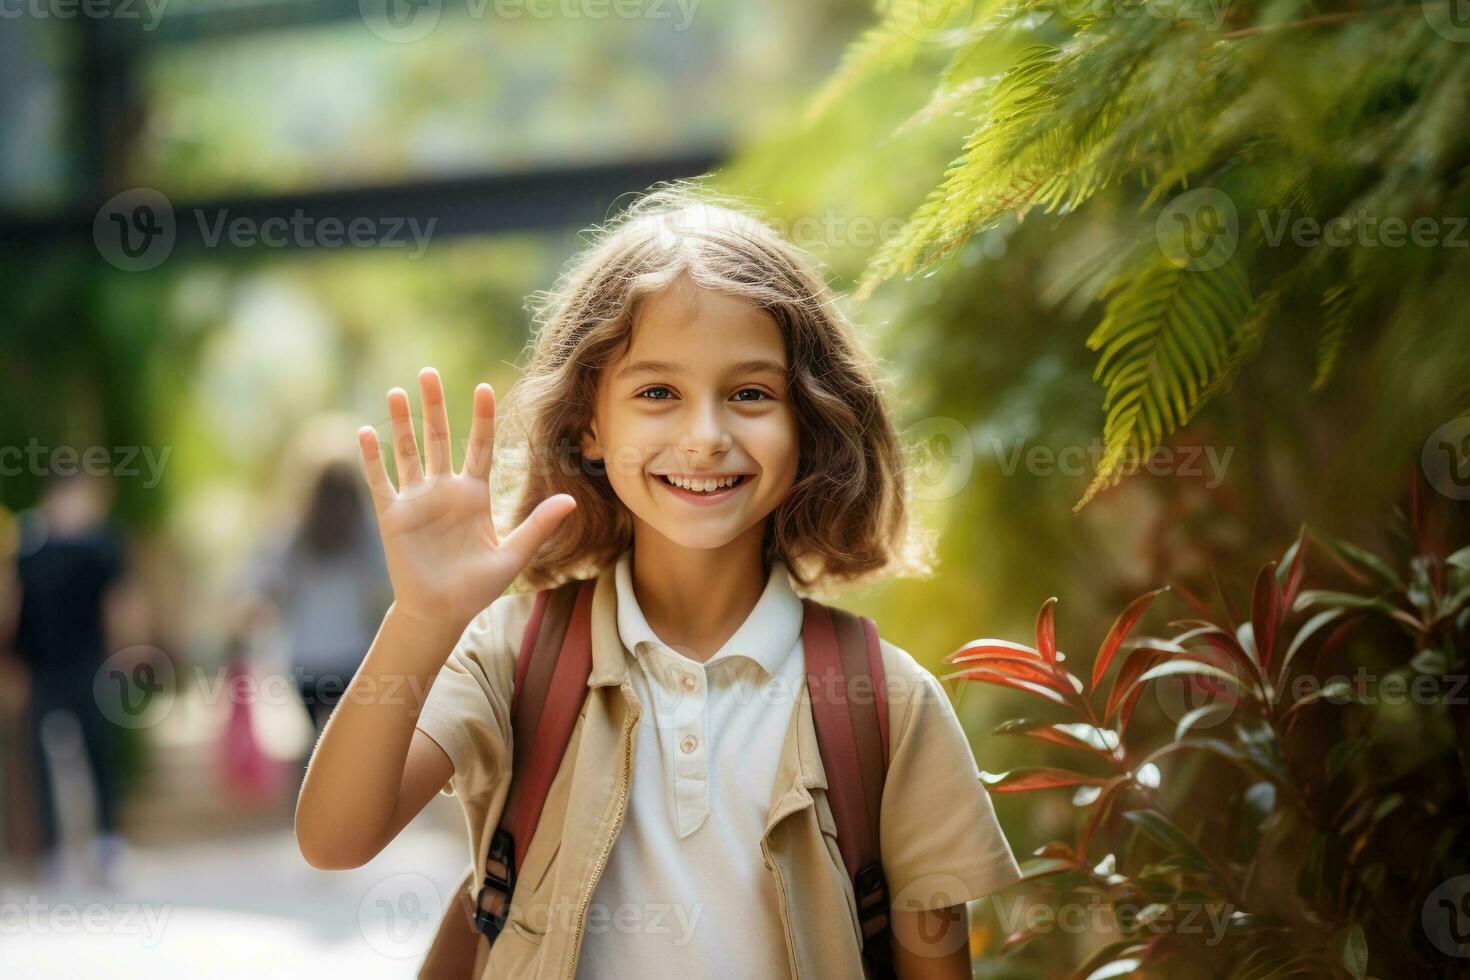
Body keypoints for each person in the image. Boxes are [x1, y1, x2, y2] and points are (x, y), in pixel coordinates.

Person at [295, 184, 1021, 978]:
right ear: (589, 426)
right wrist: (424, 617)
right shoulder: (512, 656)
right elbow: (335, 839)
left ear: (809, 423)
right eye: (657, 393)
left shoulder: (887, 703)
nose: (704, 436)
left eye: (750, 393)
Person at [8, 471, 129, 885]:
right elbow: (14, 606)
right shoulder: (29, 544)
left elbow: (117, 605)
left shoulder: (101, 545)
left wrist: (122, 658)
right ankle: (50, 852)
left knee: (99, 752)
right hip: (41, 668)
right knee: (39, 762)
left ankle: (107, 844)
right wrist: (11, 664)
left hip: (90, 667)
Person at [242, 458, 391, 738]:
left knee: (319, 740)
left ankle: (317, 779)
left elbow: (273, 588)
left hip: (307, 662)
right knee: (351, 741)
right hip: (356, 657)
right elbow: (386, 583)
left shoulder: (295, 534)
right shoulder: (367, 532)